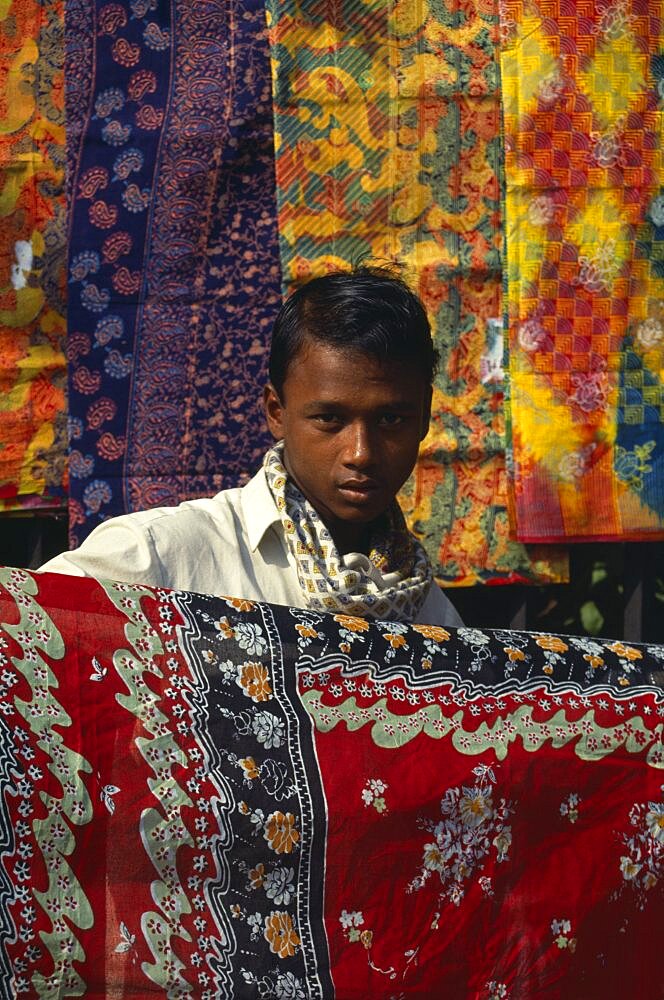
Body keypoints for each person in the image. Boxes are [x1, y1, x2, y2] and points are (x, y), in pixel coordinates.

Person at [41, 266, 461, 626]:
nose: (360, 453)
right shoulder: (162, 555)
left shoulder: (430, 611)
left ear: (424, 417)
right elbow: (27, 629)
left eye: (390, 420)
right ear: (276, 411)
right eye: (329, 419)